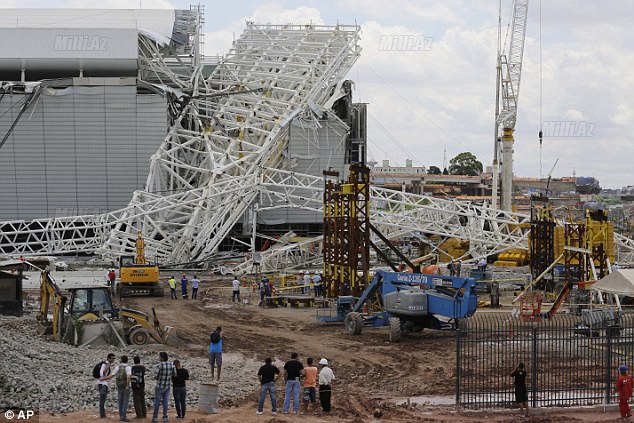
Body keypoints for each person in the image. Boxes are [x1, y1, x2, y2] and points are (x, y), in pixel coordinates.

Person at [152, 351, 176, 423]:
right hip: (167, 385)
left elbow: (155, 376)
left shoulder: (159, 365)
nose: (159, 358)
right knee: (165, 401)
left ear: (162, 358)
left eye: (159, 357)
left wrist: (159, 377)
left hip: (160, 385)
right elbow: (175, 375)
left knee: (157, 401)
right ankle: (165, 417)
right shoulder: (172, 365)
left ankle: (155, 417)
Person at [113, 355, 132, 422]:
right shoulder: (128, 367)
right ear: (127, 360)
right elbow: (129, 376)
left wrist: (104, 378)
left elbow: (112, 375)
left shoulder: (118, 367)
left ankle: (121, 416)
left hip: (119, 385)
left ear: (121, 360)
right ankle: (123, 417)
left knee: (120, 401)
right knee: (125, 401)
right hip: (126, 386)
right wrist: (127, 385)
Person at [97, 353, 116, 418]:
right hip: (102, 384)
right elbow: (102, 374)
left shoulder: (107, 364)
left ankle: (102, 414)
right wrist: (108, 366)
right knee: (102, 400)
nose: (113, 360)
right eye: (112, 358)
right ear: (108, 358)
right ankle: (102, 415)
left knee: (103, 400)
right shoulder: (105, 364)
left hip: (104, 383)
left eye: (114, 358)